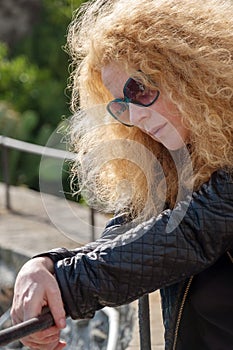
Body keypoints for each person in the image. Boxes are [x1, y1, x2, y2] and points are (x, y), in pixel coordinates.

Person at [11, 0, 233, 349]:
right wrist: (49, 265)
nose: (135, 116)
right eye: (120, 105)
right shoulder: (177, 161)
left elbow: (190, 233)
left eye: (140, 90)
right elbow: (129, 236)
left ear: (190, 72)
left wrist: (65, 288)